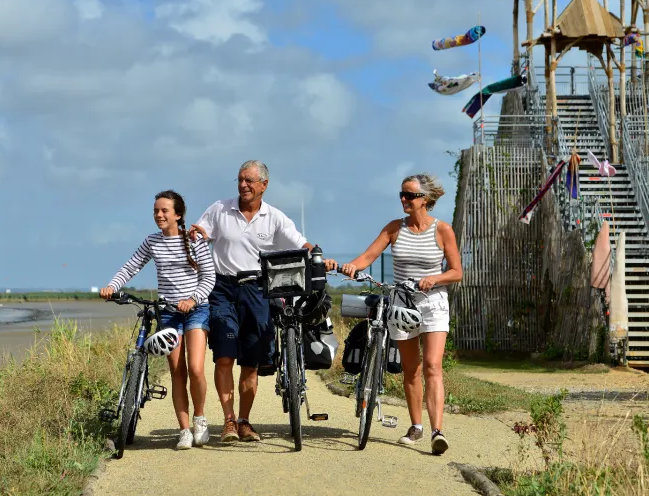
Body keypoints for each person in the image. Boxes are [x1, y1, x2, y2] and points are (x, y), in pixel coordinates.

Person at [325, 173, 462, 455]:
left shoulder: (442, 230)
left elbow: (456, 272)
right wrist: (351, 267)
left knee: (433, 365)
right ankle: (417, 426)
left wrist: (434, 279)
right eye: (402, 194)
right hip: (401, 302)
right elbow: (368, 257)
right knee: (411, 369)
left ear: (424, 200)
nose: (404, 199)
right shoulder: (393, 228)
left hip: (433, 302)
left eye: (410, 195)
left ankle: (438, 431)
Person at [189, 160, 314, 444]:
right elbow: (200, 234)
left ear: (264, 185)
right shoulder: (220, 209)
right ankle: (229, 421)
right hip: (222, 289)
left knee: (251, 363)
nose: (243, 185)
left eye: (249, 181)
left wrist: (316, 253)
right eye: (240, 180)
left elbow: (300, 243)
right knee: (224, 357)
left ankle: (244, 420)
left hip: (258, 290)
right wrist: (197, 236)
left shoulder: (276, 218)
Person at [100, 190, 216, 451]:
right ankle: (184, 430)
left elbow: (209, 277)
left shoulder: (194, 240)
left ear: (178, 214)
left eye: (164, 210)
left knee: (196, 368)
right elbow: (131, 266)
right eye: (156, 211)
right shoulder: (152, 241)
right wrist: (112, 286)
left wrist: (193, 299)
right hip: (168, 312)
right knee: (177, 371)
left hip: (196, 310)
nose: (159, 215)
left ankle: (200, 418)